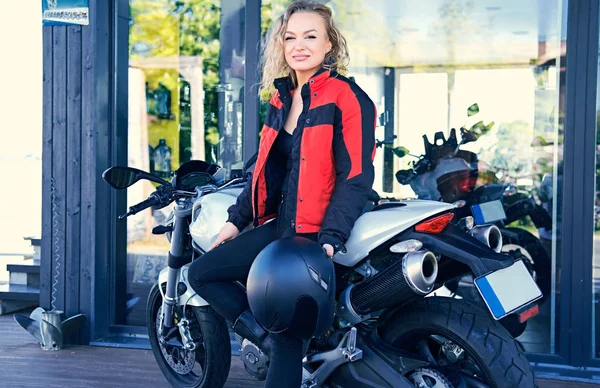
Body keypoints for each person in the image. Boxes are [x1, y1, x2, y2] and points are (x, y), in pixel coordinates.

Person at [188, 1, 376, 386]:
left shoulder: (348, 98)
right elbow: (264, 169)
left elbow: (356, 175)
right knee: (202, 273)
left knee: (288, 341)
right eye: (290, 37)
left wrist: (330, 238)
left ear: (329, 45)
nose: (299, 45)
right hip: (280, 228)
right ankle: (264, 336)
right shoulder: (282, 98)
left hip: (312, 235)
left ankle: (281, 341)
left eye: (311, 36)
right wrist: (235, 221)